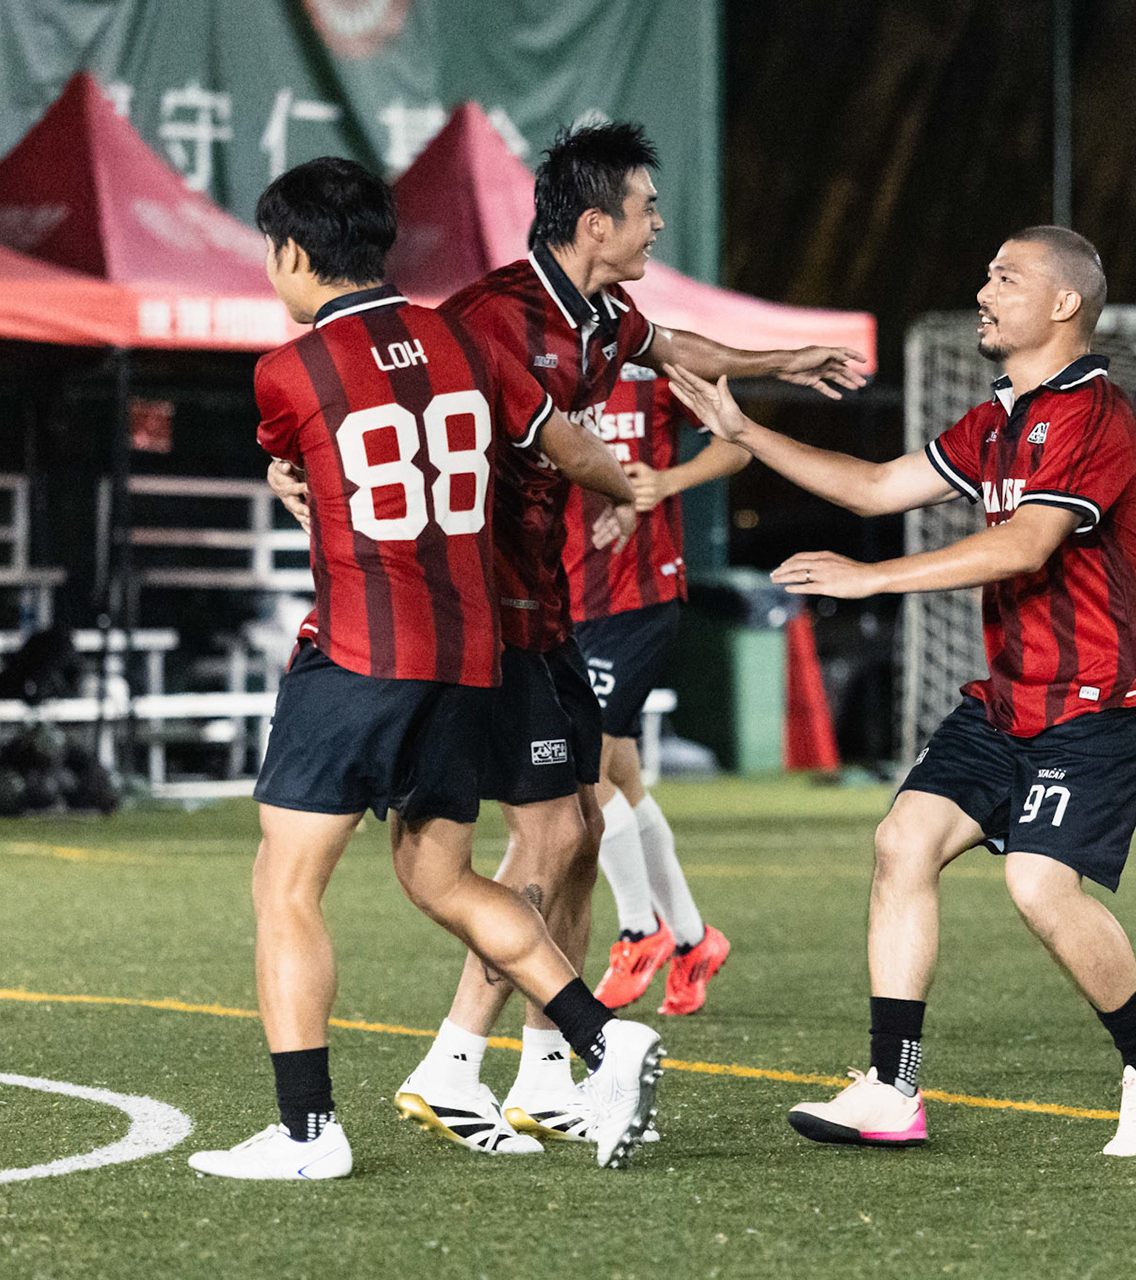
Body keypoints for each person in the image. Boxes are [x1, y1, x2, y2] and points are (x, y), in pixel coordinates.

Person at [367, 120, 863, 1148]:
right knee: (542, 831)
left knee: (583, 826)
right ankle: (461, 1060)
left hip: (545, 606)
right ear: (595, 222)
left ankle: (538, 1070)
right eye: (646, 209)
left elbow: (685, 350)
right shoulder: (489, 320)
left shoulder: (602, 314)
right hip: (485, 615)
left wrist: (785, 360)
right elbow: (408, 418)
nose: (659, 223)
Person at [667, 226, 1136, 1157]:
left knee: (1039, 885)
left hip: (1100, 698)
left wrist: (872, 581)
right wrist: (749, 433)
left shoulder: (1092, 413)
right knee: (902, 839)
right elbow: (876, 488)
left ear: (1065, 304)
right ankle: (891, 1088)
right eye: (986, 272)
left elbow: (1026, 544)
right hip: (1010, 697)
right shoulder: (994, 419)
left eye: (1007, 277)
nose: (985, 291)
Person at [188, 158, 660, 1180]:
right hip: (468, 659)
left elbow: (311, 472)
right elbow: (535, 443)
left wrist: (295, 480)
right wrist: (624, 483)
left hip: (358, 654)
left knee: (286, 884)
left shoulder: (287, 369)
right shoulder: (465, 336)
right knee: (441, 874)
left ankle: (309, 1132)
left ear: (296, 253)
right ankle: (601, 1033)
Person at [568, 365, 747, 1016]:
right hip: (566, 597)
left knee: (584, 767)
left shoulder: (650, 364)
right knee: (619, 773)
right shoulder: (538, 361)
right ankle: (695, 940)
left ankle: (641, 930)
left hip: (635, 599)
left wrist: (667, 481)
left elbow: (738, 441)